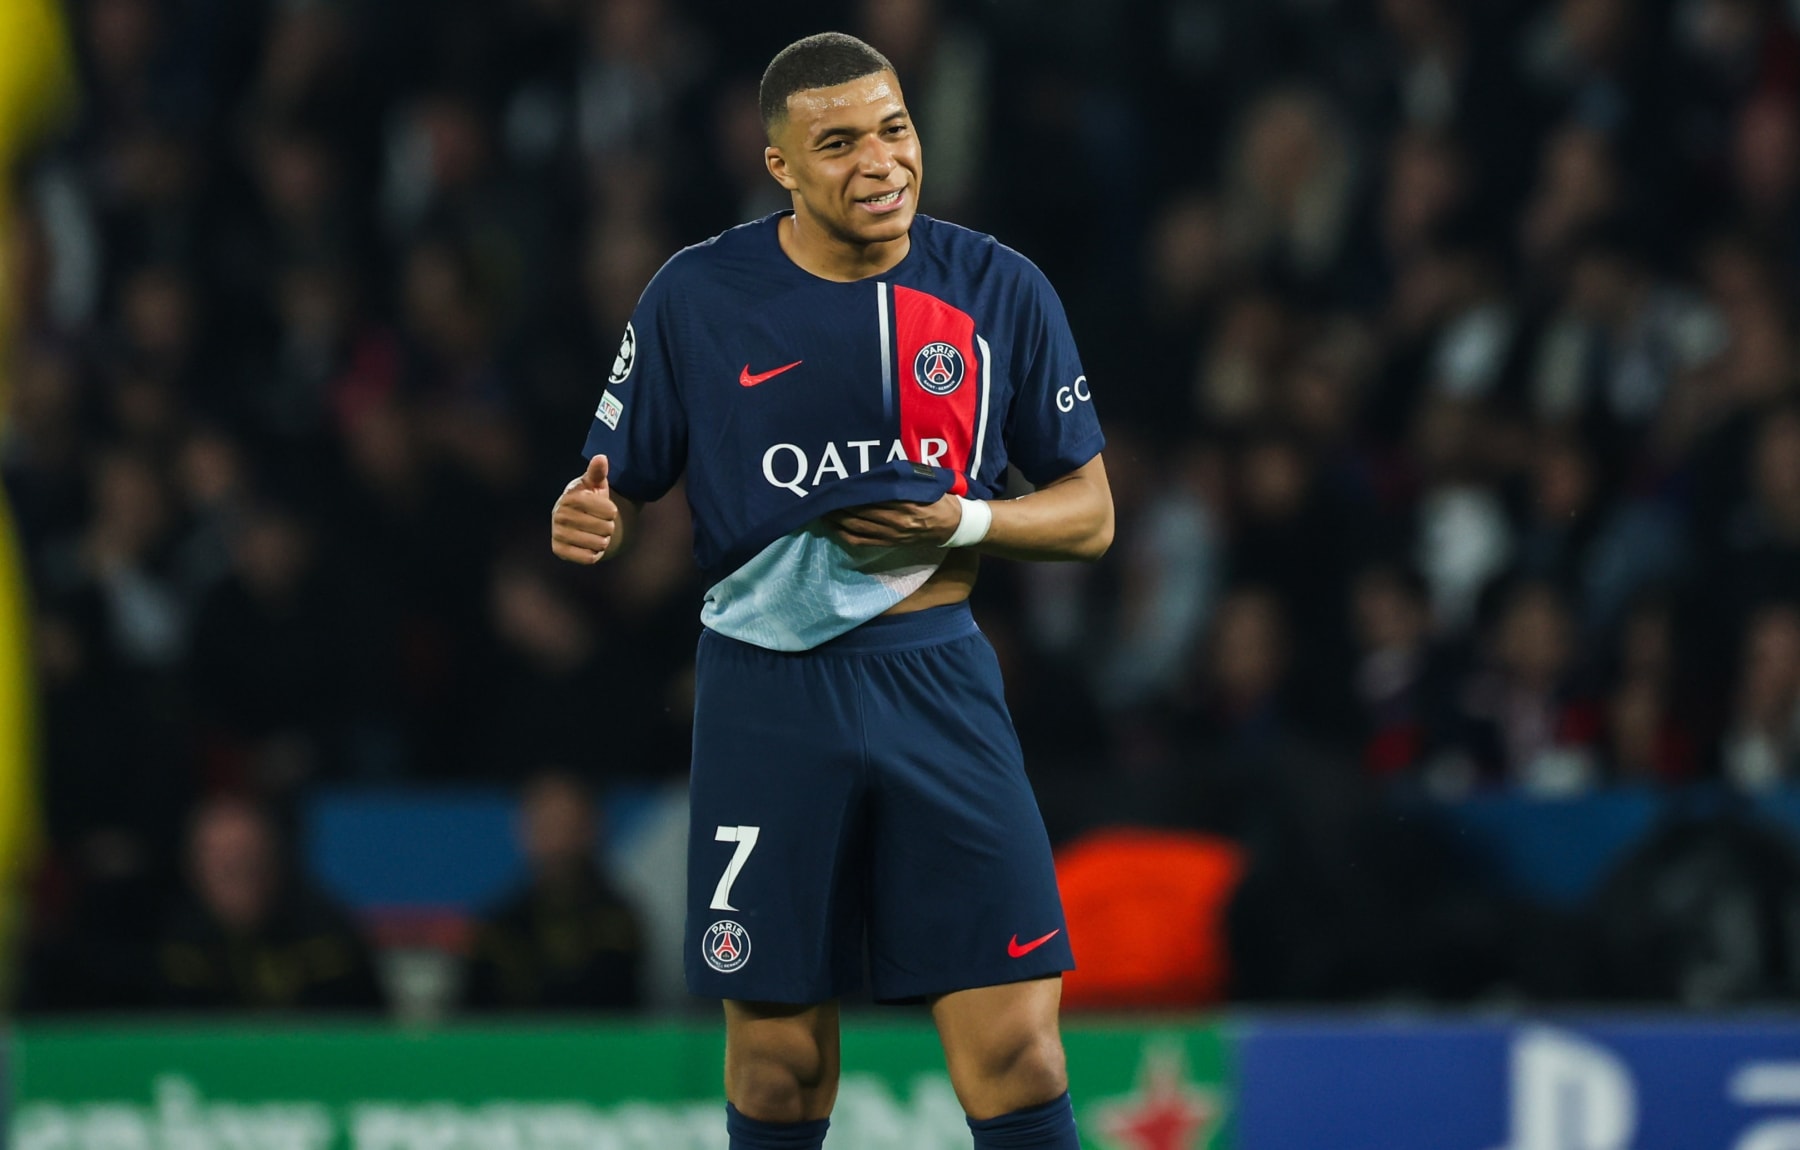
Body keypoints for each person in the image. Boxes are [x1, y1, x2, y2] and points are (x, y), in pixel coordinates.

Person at [549, 32, 1111, 1150]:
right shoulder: (698, 295)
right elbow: (617, 482)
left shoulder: (997, 287)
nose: (881, 162)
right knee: (776, 1068)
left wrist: (969, 519)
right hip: (768, 693)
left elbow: (1090, 512)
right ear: (781, 167)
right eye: (840, 141)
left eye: (894, 129)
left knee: (1019, 1047)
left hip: (937, 678)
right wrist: (592, 521)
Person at [463, 771, 645, 1011]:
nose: (556, 843)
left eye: (567, 824)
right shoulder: (500, 926)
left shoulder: (619, 921)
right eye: (545, 824)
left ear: (590, 828)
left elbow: (625, 1006)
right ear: (523, 829)